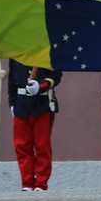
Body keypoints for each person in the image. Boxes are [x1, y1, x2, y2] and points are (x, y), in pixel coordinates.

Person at [7, 60, 60, 191]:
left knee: (42, 146)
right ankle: (27, 182)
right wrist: (12, 103)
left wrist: (41, 85)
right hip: (21, 105)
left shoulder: (46, 52)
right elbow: (12, 80)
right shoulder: (16, 54)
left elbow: (56, 76)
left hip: (41, 104)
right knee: (22, 146)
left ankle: (41, 183)